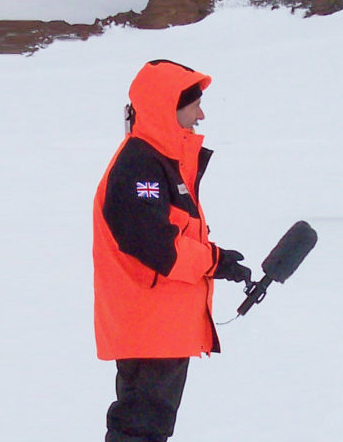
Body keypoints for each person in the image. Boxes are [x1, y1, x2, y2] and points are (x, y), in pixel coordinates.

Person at [91, 60, 255, 442]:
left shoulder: (160, 161)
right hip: (149, 325)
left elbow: (171, 235)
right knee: (140, 428)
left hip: (161, 325)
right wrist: (214, 261)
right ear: (168, 106)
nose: (201, 114)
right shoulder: (139, 165)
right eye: (194, 104)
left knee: (148, 427)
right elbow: (155, 245)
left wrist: (218, 260)